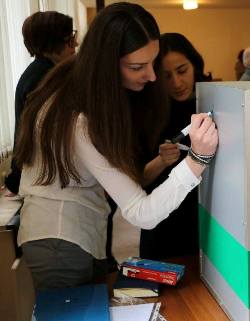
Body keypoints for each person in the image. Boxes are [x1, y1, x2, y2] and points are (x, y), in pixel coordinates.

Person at [14, 3, 218, 291]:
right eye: (137, 67)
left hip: (78, 238)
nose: (152, 76)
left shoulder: (80, 87)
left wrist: (162, 163)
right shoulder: (78, 117)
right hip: (61, 243)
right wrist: (197, 160)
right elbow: (141, 212)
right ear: (107, 63)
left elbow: (127, 182)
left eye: (152, 62)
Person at [139, 33, 212, 260]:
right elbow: (137, 180)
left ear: (195, 64)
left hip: (209, 217)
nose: (177, 83)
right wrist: (161, 161)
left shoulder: (215, 103)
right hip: (164, 221)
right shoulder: (148, 113)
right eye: (166, 76)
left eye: (182, 71)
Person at [4, 11, 78, 196]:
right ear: (51, 45)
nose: (75, 44)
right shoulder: (43, 77)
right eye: (70, 40)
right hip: (38, 180)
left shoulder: (41, 71)